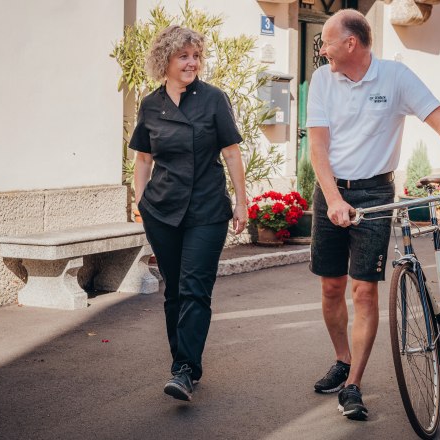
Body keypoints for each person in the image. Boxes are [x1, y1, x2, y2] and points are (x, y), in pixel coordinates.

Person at [306, 10, 440, 420]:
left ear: (351, 44)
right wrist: (332, 198)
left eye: (326, 41)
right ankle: (342, 359)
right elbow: (317, 148)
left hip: (374, 191)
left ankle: (354, 385)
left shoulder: (395, 78)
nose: (321, 49)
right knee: (332, 287)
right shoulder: (322, 79)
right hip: (330, 189)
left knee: (363, 291)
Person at [129, 25, 247, 402]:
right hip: (162, 211)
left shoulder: (213, 100)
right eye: (184, 56)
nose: (192, 62)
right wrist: (141, 202)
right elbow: (143, 159)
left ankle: (185, 370)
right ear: (165, 60)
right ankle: (182, 362)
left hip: (207, 209)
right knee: (175, 291)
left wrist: (242, 201)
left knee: (195, 288)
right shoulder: (150, 105)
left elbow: (231, 153)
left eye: (196, 56)